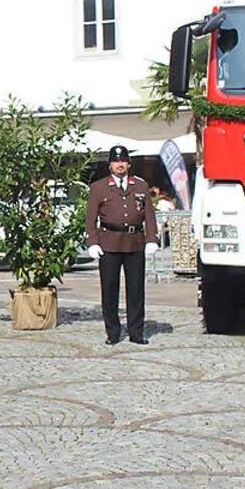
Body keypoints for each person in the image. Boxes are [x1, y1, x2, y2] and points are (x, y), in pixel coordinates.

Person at [85, 145, 160, 346]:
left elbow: (149, 215)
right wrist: (92, 242)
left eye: (123, 161)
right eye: (116, 161)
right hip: (109, 243)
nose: (120, 165)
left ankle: (136, 332)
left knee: (136, 290)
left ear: (129, 164)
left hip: (134, 242)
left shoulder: (140, 186)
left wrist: (151, 239)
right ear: (110, 165)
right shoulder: (99, 187)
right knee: (109, 290)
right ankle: (113, 332)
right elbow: (90, 218)